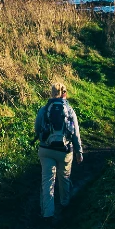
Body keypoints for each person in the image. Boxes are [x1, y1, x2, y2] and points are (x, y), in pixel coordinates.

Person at [34, 81, 83, 221]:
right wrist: (79, 152)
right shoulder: (70, 110)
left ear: (51, 93)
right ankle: (64, 204)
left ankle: (47, 213)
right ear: (64, 94)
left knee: (47, 181)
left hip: (46, 150)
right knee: (64, 178)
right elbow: (75, 134)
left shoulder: (44, 110)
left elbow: (37, 129)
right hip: (65, 151)